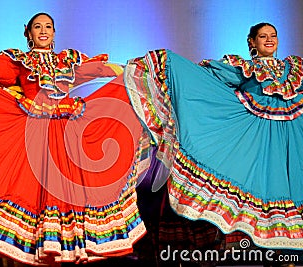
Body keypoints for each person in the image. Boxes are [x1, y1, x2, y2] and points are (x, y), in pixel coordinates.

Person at [0, 12, 149, 265]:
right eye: (37, 27)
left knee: (71, 192)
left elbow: (98, 69)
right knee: (34, 193)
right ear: (28, 32)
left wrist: (130, 70)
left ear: (54, 32)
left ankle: (67, 248)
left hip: (67, 133)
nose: (43, 31)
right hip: (34, 133)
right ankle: (36, 249)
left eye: (48, 27)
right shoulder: (19, 60)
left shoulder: (68, 61)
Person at [124, 22, 303, 252]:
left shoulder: (294, 68)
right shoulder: (244, 68)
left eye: (273, 35)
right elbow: (208, 77)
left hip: (294, 142)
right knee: (268, 197)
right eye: (263, 36)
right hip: (259, 143)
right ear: (253, 42)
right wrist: (172, 66)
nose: (269, 40)